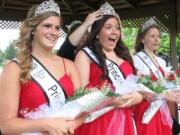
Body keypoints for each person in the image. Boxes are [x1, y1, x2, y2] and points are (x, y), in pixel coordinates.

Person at [0, 0, 84, 134]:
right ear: (33, 29)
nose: (54, 32)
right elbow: (6, 126)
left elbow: (82, 109)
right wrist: (46, 124)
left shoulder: (69, 66)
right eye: (47, 26)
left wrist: (72, 124)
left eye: (57, 28)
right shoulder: (14, 68)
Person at [74, 2, 143, 135]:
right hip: (97, 123)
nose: (114, 32)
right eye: (108, 27)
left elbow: (138, 86)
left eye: (117, 28)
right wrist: (109, 99)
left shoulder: (125, 56)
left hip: (125, 121)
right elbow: (78, 96)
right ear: (97, 33)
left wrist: (138, 96)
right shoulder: (85, 55)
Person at [133, 18, 173, 135]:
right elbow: (137, 86)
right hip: (146, 108)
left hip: (162, 107)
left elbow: (165, 85)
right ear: (142, 39)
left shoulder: (162, 61)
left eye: (158, 36)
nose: (157, 40)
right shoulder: (136, 59)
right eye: (152, 36)